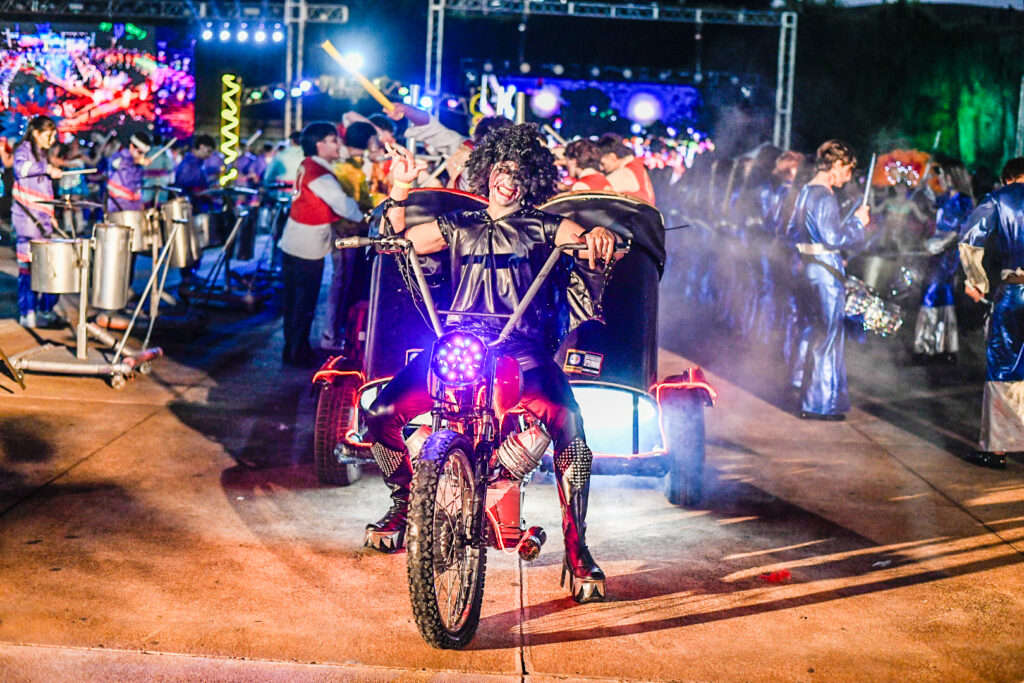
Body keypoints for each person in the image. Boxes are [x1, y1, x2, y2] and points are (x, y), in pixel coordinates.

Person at [365, 123, 617, 604]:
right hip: (459, 343)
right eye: (502, 168)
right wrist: (399, 187)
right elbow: (392, 243)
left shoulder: (542, 225)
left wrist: (598, 236)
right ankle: (404, 501)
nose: (510, 178)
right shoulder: (459, 224)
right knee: (378, 412)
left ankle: (577, 548)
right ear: (487, 172)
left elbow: (581, 240)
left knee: (570, 424)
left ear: (532, 179)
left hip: (520, 349)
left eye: (520, 171)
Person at [785, 140, 869, 420]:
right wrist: (858, 223)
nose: (849, 176)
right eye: (848, 169)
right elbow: (834, 238)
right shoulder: (824, 195)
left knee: (817, 333)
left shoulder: (804, 192)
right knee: (829, 336)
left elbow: (788, 231)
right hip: (825, 273)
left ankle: (813, 397)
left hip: (810, 269)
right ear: (836, 165)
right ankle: (820, 405)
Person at [277, 122, 363, 367]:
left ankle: (291, 348)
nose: (339, 144)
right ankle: (298, 352)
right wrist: (365, 218)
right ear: (319, 144)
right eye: (333, 140)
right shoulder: (320, 173)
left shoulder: (309, 165)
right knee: (304, 303)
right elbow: (342, 204)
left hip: (294, 240)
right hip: (307, 245)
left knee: (293, 302)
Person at [958, 157, 1024, 469]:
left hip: (1014, 292)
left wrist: (976, 282)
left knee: (1003, 366)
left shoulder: (999, 198)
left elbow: (971, 239)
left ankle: (998, 448)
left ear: (1008, 178)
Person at [321, 121, 376, 352]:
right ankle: (330, 335)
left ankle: (339, 331)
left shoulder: (353, 168)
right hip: (346, 235)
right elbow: (351, 207)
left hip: (353, 233)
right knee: (341, 283)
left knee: (346, 284)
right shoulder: (347, 170)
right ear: (367, 141)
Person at [912, 159, 973, 363]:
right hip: (936, 253)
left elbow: (959, 231)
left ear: (950, 177)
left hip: (947, 255)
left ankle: (928, 347)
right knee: (940, 296)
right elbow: (932, 202)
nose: (939, 179)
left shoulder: (964, 201)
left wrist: (937, 246)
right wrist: (923, 188)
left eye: (942, 176)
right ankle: (944, 349)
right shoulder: (946, 198)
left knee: (933, 294)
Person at [11, 116, 65, 329]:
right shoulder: (24, 151)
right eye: (48, 135)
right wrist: (47, 169)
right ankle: (28, 312)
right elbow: (21, 170)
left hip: (41, 224)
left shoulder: (41, 155)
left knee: (47, 269)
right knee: (27, 270)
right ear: (35, 133)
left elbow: (43, 192)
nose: (52, 139)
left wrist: (51, 215)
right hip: (27, 223)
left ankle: (43, 310)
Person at [597, 133, 655, 204]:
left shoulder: (625, 173)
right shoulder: (635, 164)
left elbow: (598, 192)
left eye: (603, 164)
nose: (601, 168)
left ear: (613, 157)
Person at [106, 133, 152, 214]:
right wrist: (138, 161)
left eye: (145, 154)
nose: (142, 156)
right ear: (131, 147)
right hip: (118, 207)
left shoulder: (139, 166)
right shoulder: (118, 156)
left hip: (135, 207)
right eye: (140, 152)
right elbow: (119, 164)